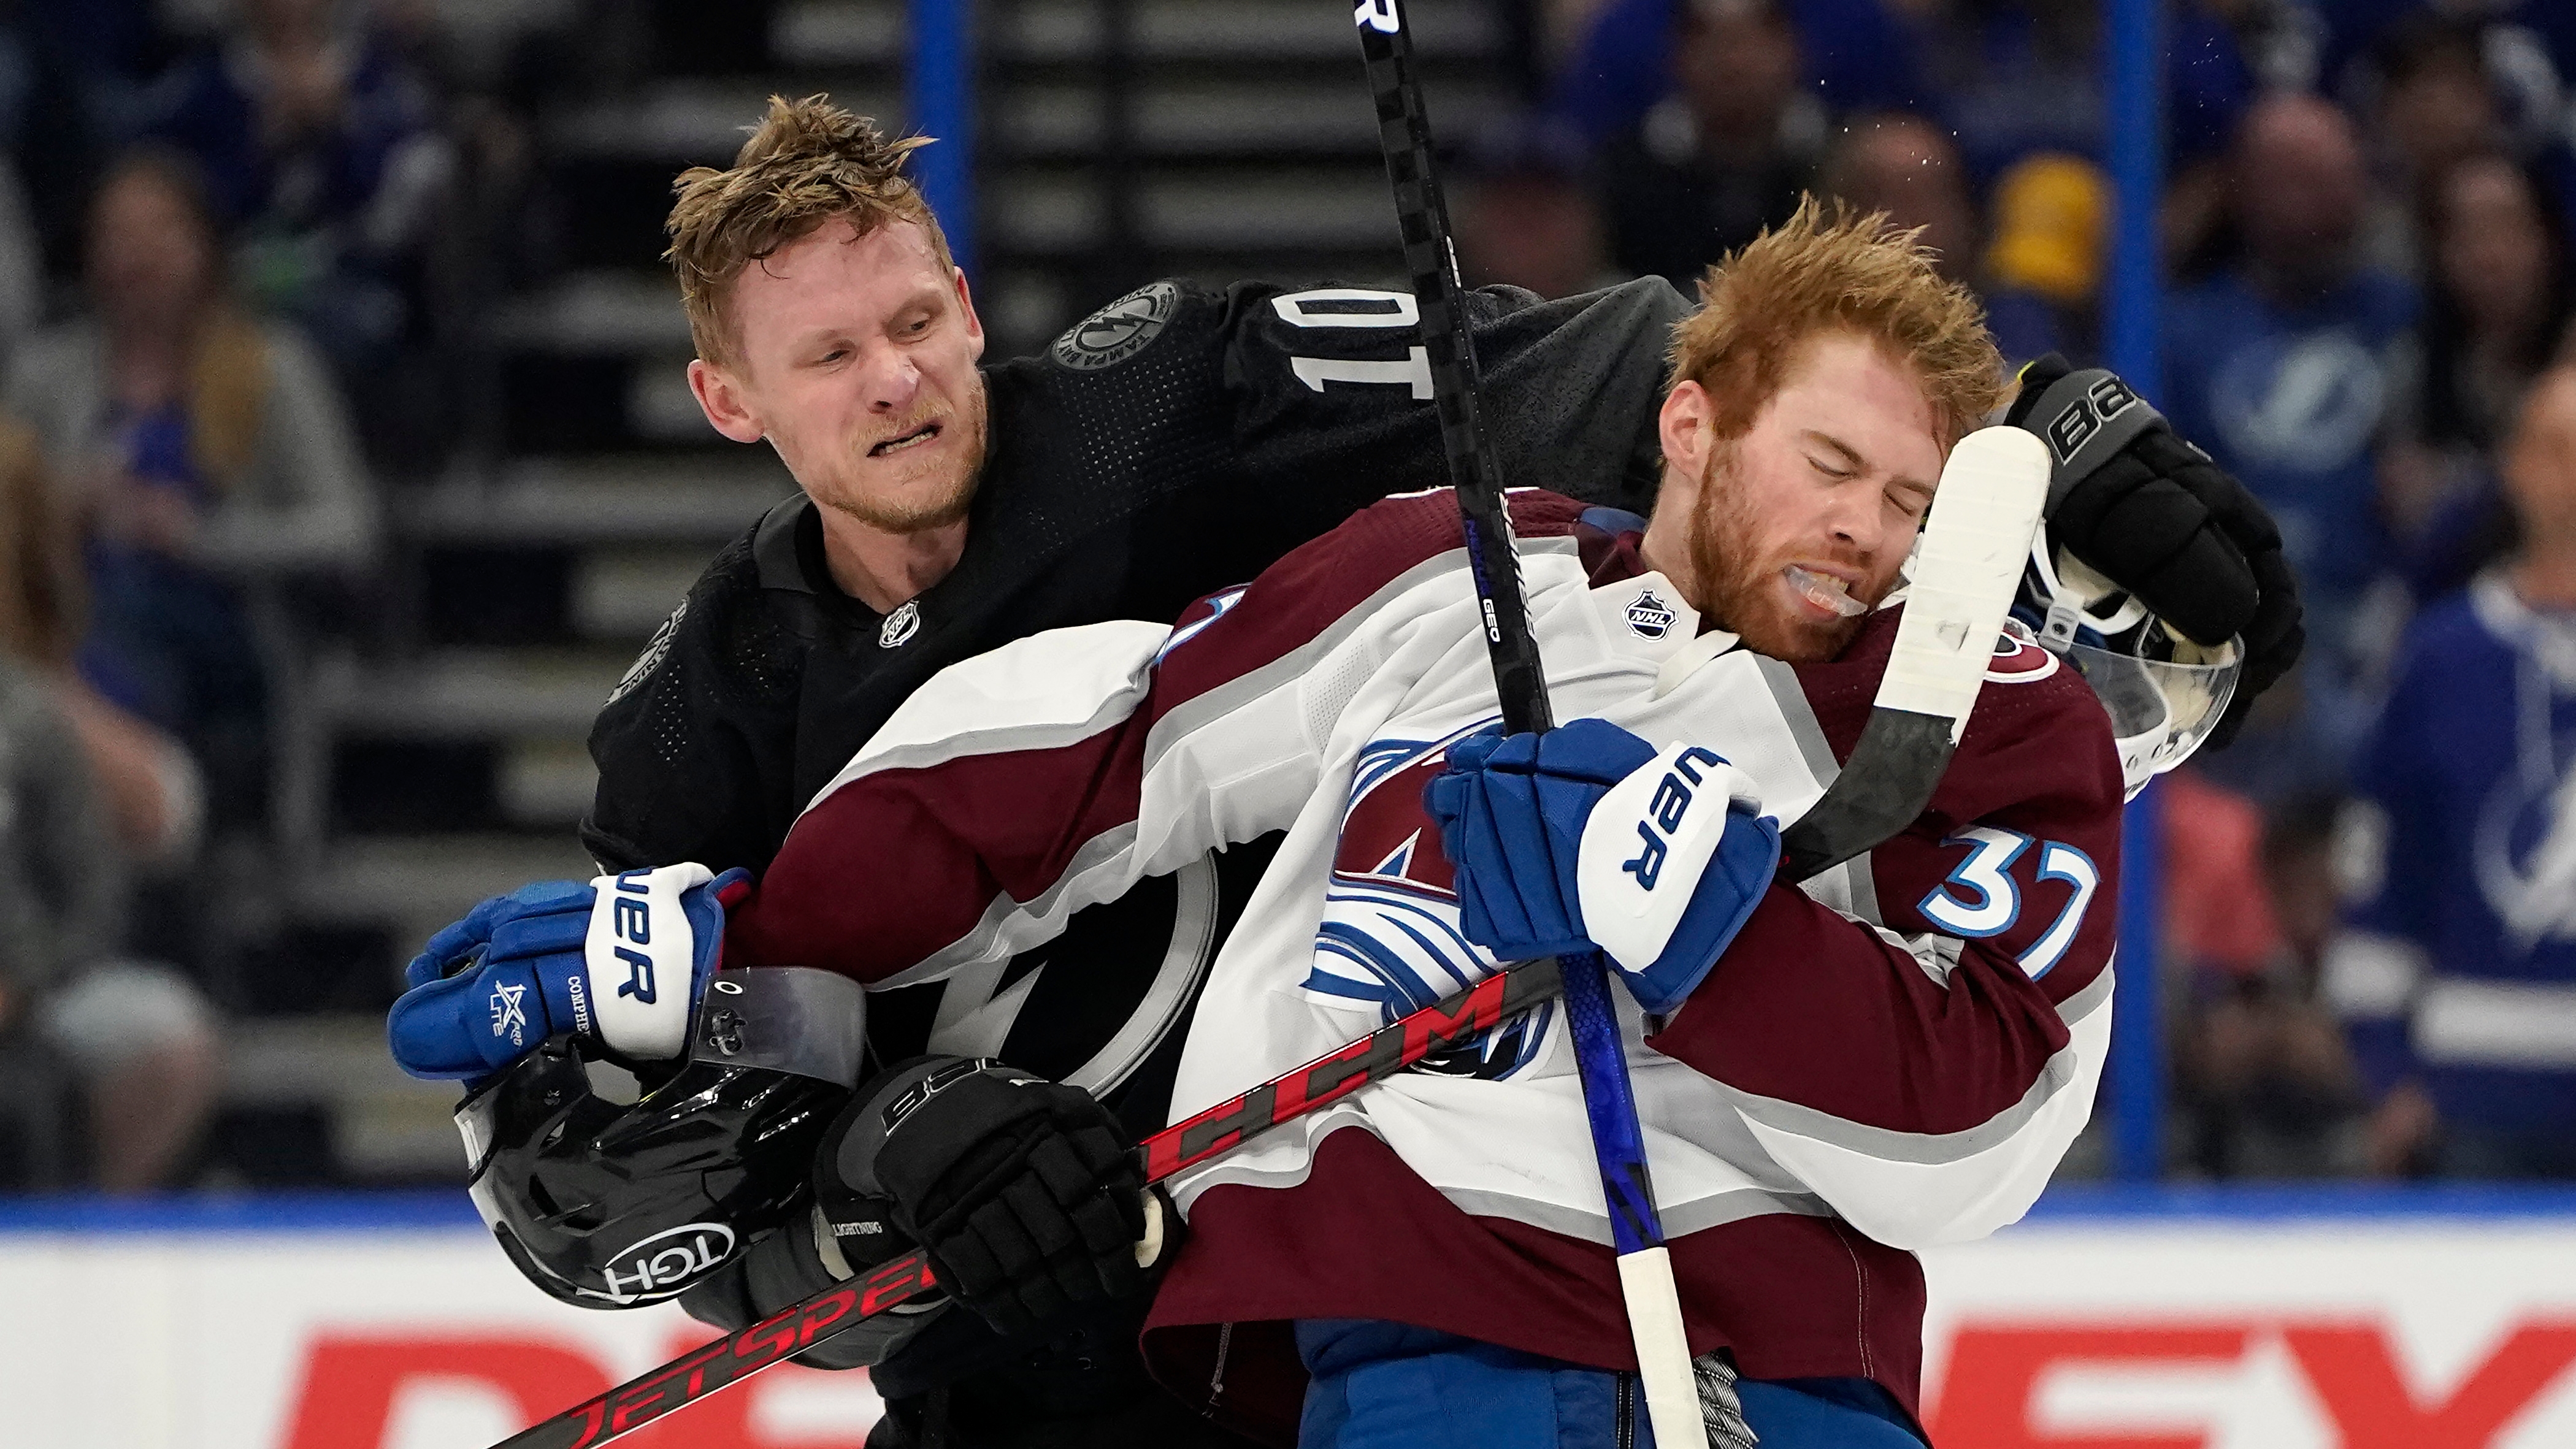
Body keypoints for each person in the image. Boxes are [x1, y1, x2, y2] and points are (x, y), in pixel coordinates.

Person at [432, 92, 2304, 1448]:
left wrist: (1998, 447)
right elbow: (626, 1178)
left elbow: (1645, 379)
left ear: (966, 294)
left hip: (1348, 1272)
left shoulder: (1179, 400)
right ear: (725, 400)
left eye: (916, 321)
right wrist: (880, 1161)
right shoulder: (702, 718)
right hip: (1042, 1346)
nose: (898, 381)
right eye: (827, 355)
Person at [1, 148, 377, 828]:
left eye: (159, 232)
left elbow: (347, 527)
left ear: (204, 245)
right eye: (117, 235)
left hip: (222, 623)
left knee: (120, 636)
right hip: (70, 613)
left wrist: (198, 536)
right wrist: (65, 505)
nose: (137, 256)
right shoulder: (46, 374)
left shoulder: (269, 365)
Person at [2327, 365, 2576, 1181]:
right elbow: (2385, 865)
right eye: (2556, 448)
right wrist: (2386, 1067)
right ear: (2514, 467)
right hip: (2476, 1094)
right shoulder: (2444, 653)